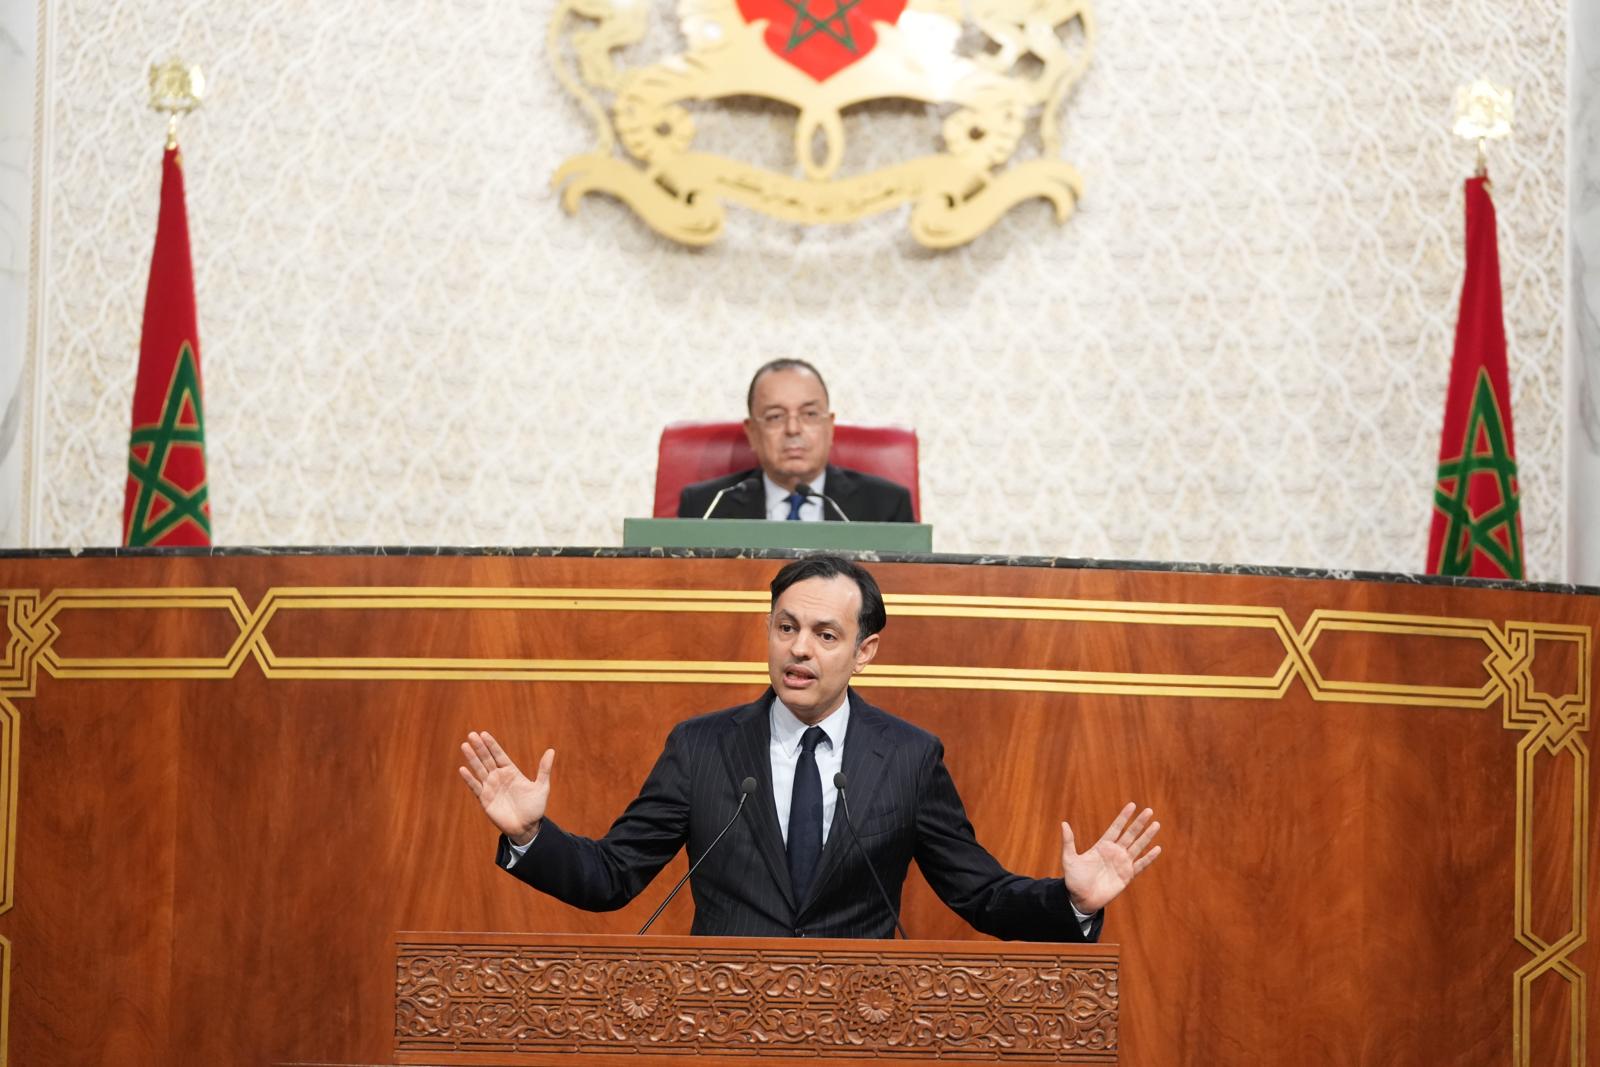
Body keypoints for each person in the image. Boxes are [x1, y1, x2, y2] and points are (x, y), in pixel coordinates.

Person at [458, 555, 1161, 940]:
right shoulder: (702, 747)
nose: (799, 649)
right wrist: (530, 836)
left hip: (860, 1031)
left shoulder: (910, 757)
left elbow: (979, 893)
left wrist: (1071, 902)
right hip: (720, 1026)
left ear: (865, 650)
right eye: (785, 627)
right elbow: (612, 876)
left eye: (826, 635)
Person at [676, 360, 916, 522]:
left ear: (830, 426)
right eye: (775, 417)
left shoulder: (886, 506)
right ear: (752, 432)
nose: (793, 429)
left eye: (809, 414)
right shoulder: (706, 507)